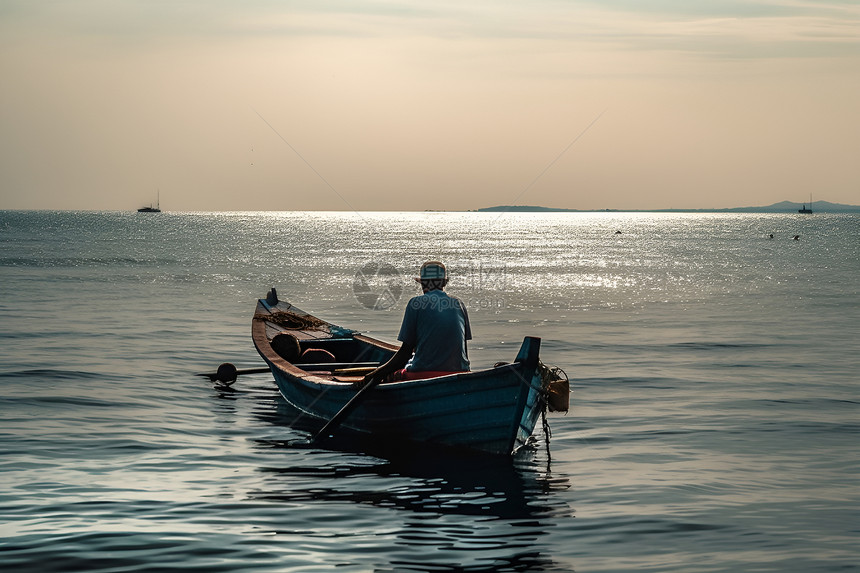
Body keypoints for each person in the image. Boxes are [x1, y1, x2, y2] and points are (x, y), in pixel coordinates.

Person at [359, 261, 471, 387]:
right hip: (461, 373)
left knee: (394, 374)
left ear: (423, 283)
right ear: (444, 283)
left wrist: (376, 375)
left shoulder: (416, 303)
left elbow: (405, 354)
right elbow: (463, 351)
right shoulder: (459, 304)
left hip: (423, 374)